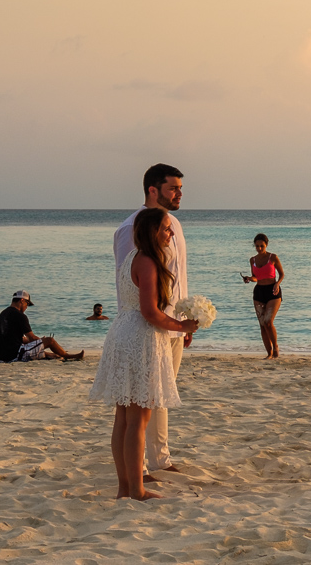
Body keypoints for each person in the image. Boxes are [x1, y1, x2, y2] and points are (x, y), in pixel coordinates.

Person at [90, 208, 199, 500]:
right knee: (138, 418)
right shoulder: (148, 261)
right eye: (166, 229)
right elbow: (150, 312)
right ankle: (136, 489)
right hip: (141, 336)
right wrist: (182, 325)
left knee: (124, 417)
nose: (171, 233)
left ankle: (125, 487)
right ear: (152, 232)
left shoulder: (130, 258)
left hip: (122, 331)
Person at [113, 163, 189, 479]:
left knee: (163, 395)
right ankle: (138, 466)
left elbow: (178, 277)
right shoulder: (131, 229)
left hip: (173, 323)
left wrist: (185, 320)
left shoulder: (175, 226)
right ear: (152, 190)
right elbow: (131, 281)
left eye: (181, 188)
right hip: (147, 327)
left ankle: (160, 457)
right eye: (173, 188)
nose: (180, 194)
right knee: (140, 401)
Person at [0, 291, 85, 362]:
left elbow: (16, 338)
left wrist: (39, 342)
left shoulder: (3, 314)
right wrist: (42, 341)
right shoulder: (20, 315)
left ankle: (55, 354)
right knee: (50, 340)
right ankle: (67, 356)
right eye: (27, 304)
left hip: (3, 353)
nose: (26, 307)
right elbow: (31, 338)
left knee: (39, 346)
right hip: (15, 354)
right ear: (22, 300)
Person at [243, 233, 285, 359]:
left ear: (266, 245)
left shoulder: (273, 257)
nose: (259, 248)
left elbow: (282, 274)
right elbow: (256, 277)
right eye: (257, 246)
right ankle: (269, 353)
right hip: (259, 292)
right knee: (262, 324)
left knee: (268, 321)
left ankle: (276, 347)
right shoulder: (253, 260)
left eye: (262, 246)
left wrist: (277, 283)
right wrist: (250, 278)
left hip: (273, 292)